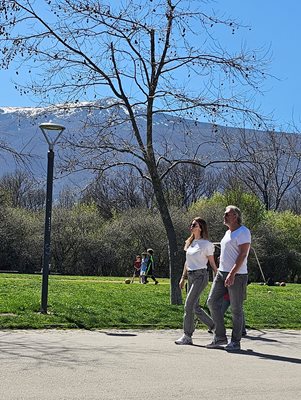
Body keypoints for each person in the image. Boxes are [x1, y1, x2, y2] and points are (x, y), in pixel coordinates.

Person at [206, 205, 251, 351]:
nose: (224, 216)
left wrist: (232, 273)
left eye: (227, 214)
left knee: (236, 309)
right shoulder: (227, 233)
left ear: (235, 216)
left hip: (237, 275)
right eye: (224, 214)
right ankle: (220, 337)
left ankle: (235, 341)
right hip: (221, 272)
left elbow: (243, 254)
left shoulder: (243, 232)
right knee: (212, 302)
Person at [175, 217, 217, 345]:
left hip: (201, 276)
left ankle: (187, 336)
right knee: (194, 307)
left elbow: (212, 263)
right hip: (191, 276)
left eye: (194, 225)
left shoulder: (207, 244)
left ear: (201, 228)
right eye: (191, 224)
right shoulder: (190, 242)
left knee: (188, 305)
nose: (191, 226)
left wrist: (218, 276)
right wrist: (183, 277)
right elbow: (187, 262)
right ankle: (215, 327)